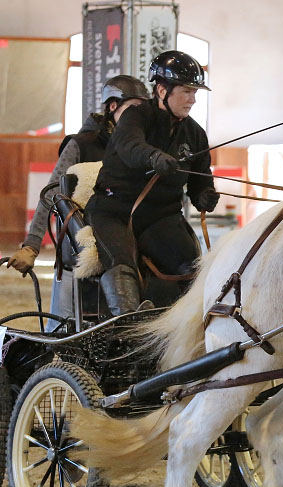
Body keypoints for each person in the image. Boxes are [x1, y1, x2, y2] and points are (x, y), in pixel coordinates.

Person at [7, 75, 150, 328]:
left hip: (126, 248)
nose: (136, 118)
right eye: (131, 109)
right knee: (62, 330)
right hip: (77, 250)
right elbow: (52, 194)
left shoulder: (142, 148)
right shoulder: (81, 145)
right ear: (113, 107)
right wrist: (31, 246)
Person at [83, 50, 218, 315]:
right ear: (161, 90)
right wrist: (154, 157)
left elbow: (200, 177)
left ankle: (187, 323)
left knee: (191, 266)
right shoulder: (135, 117)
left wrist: (205, 195)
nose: (192, 99)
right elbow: (130, 145)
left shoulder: (195, 133)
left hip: (161, 216)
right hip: (113, 211)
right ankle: (127, 322)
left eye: (195, 93)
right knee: (121, 262)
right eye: (186, 91)